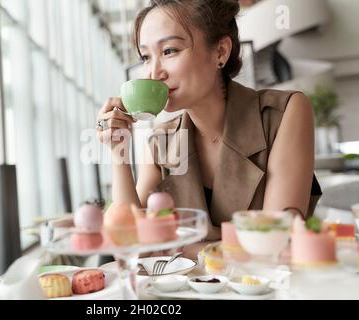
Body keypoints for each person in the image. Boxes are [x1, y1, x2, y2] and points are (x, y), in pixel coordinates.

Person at [96, 0, 322, 258]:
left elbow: (275, 244)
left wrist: (179, 247)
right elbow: (133, 248)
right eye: (146, 57)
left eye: (169, 51)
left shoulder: (283, 113)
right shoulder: (161, 141)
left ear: (220, 52)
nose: (153, 72)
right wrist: (118, 152)